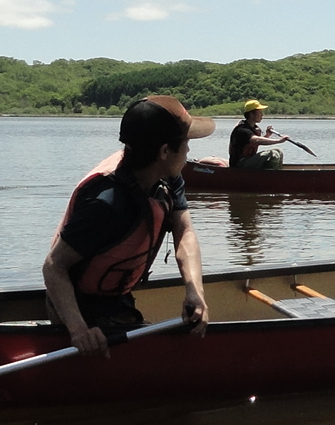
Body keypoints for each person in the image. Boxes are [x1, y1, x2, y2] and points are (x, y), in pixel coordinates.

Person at [43, 95, 211, 356]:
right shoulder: (106, 203)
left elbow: (184, 230)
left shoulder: (168, 179)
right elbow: (54, 267)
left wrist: (194, 291)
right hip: (75, 305)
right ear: (164, 151)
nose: (189, 150)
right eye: (186, 142)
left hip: (117, 299)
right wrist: (78, 330)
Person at [227, 99, 290, 169]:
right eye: (259, 112)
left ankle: (275, 172)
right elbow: (256, 140)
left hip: (249, 160)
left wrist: (267, 135)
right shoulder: (242, 129)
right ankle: (272, 177)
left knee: (278, 151)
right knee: (272, 153)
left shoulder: (254, 128)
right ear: (251, 114)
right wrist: (279, 141)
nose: (262, 115)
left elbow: (255, 142)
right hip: (240, 164)